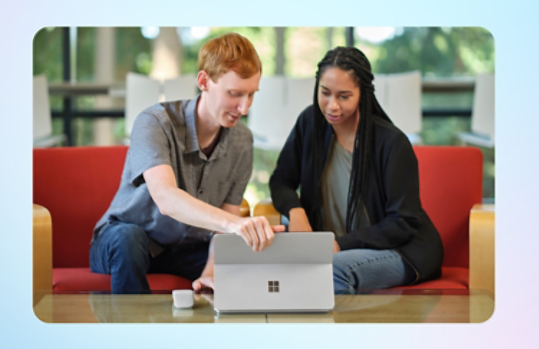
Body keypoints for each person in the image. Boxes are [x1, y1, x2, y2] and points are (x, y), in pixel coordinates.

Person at [90, 33, 283, 294]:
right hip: (125, 240)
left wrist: (210, 271)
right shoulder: (154, 122)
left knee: (246, 266)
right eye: (235, 94)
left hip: (186, 249)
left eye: (251, 95)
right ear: (204, 81)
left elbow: (221, 229)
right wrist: (233, 223)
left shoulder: (242, 141)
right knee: (128, 239)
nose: (244, 108)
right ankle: (131, 333)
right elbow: (167, 199)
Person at [269, 46, 444, 294]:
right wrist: (295, 211)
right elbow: (280, 181)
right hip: (334, 248)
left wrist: (340, 244)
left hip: (401, 251)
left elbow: (403, 223)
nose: (332, 106)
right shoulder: (310, 123)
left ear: (363, 93)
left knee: (330, 273)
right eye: (325, 93)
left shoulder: (392, 143)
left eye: (344, 96)